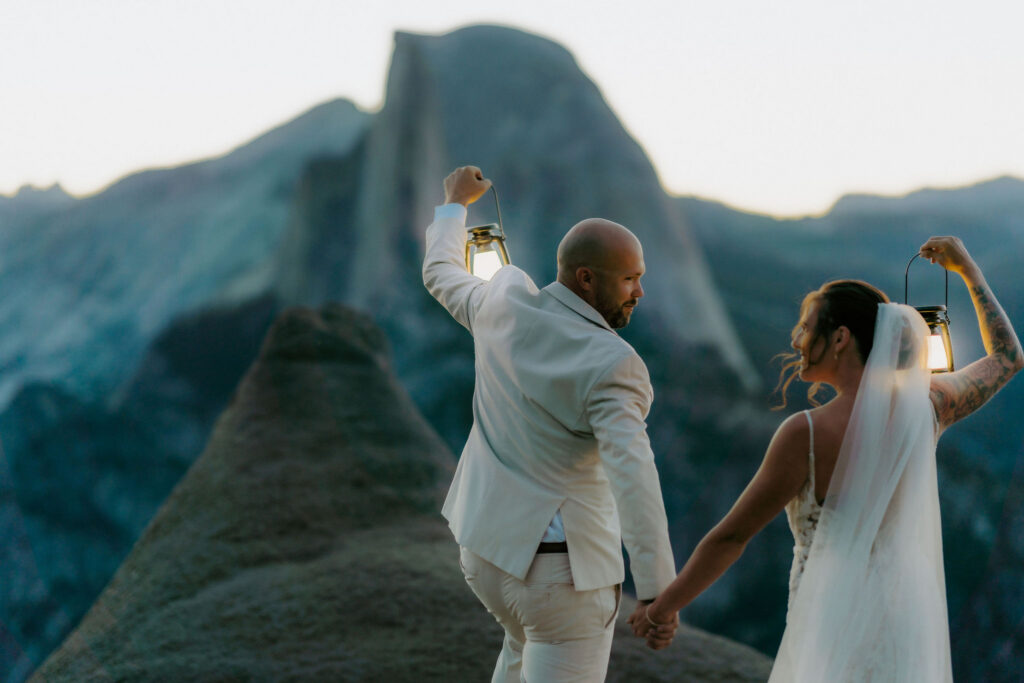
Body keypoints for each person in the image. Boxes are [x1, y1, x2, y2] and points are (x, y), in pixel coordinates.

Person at [629, 236, 1022, 679]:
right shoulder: (927, 407)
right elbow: (1008, 357)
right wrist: (969, 272)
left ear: (839, 338)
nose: (797, 339)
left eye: (806, 327)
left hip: (831, 625)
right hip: (904, 626)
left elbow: (731, 538)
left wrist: (662, 610)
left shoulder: (806, 434)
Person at [422, 166, 678, 681]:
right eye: (630, 279)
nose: (640, 293)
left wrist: (454, 203)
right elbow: (634, 474)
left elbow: (440, 271)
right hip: (563, 580)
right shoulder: (615, 364)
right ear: (587, 277)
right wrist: (658, 591)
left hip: (486, 556)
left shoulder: (501, 303)